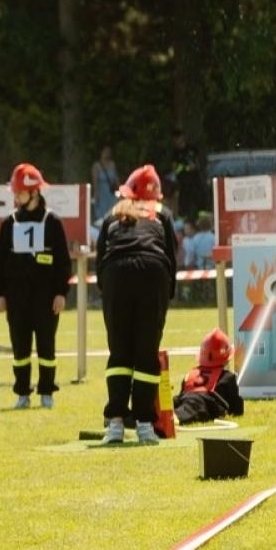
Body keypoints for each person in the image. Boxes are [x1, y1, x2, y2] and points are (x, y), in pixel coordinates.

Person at [95, 164, 178, 445]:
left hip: (116, 274)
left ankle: (115, 424)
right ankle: (144, 424)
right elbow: (171, 257)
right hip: (152, 274)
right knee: (146, 352)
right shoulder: (162, 214)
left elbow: (101, 257)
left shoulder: (113, 214)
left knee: (119, 353)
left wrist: (107, 291)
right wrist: (166, 295)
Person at [0, 163, 73, 409]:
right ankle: (22, 393)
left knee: (46, 346)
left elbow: (63, 262)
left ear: (34, 192)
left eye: (20, 192)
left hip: (46, 298)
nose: (16, 197)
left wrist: (61, 293)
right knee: (20, 348)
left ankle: (47, 392)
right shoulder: (10, 222)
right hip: (17, 298)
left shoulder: (52, 222)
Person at [173, 328, 245, 426]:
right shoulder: (228, 378)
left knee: (179, 405)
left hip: (184, 401)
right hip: (203, 405)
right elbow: (237, 411)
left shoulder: (189, 375)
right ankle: (174, 418)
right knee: (190, 411)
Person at [91, 145, 120, 223]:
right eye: (105, 151)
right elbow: (95, 182)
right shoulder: (96, 166)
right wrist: (96, 195)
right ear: (101, 152)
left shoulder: (112, 164)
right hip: (101, 194)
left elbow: (116, 179)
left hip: (111, 193)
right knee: (101, 217)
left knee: (112, 214)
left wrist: (120, 190)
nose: (107, 153)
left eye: (109, 152)